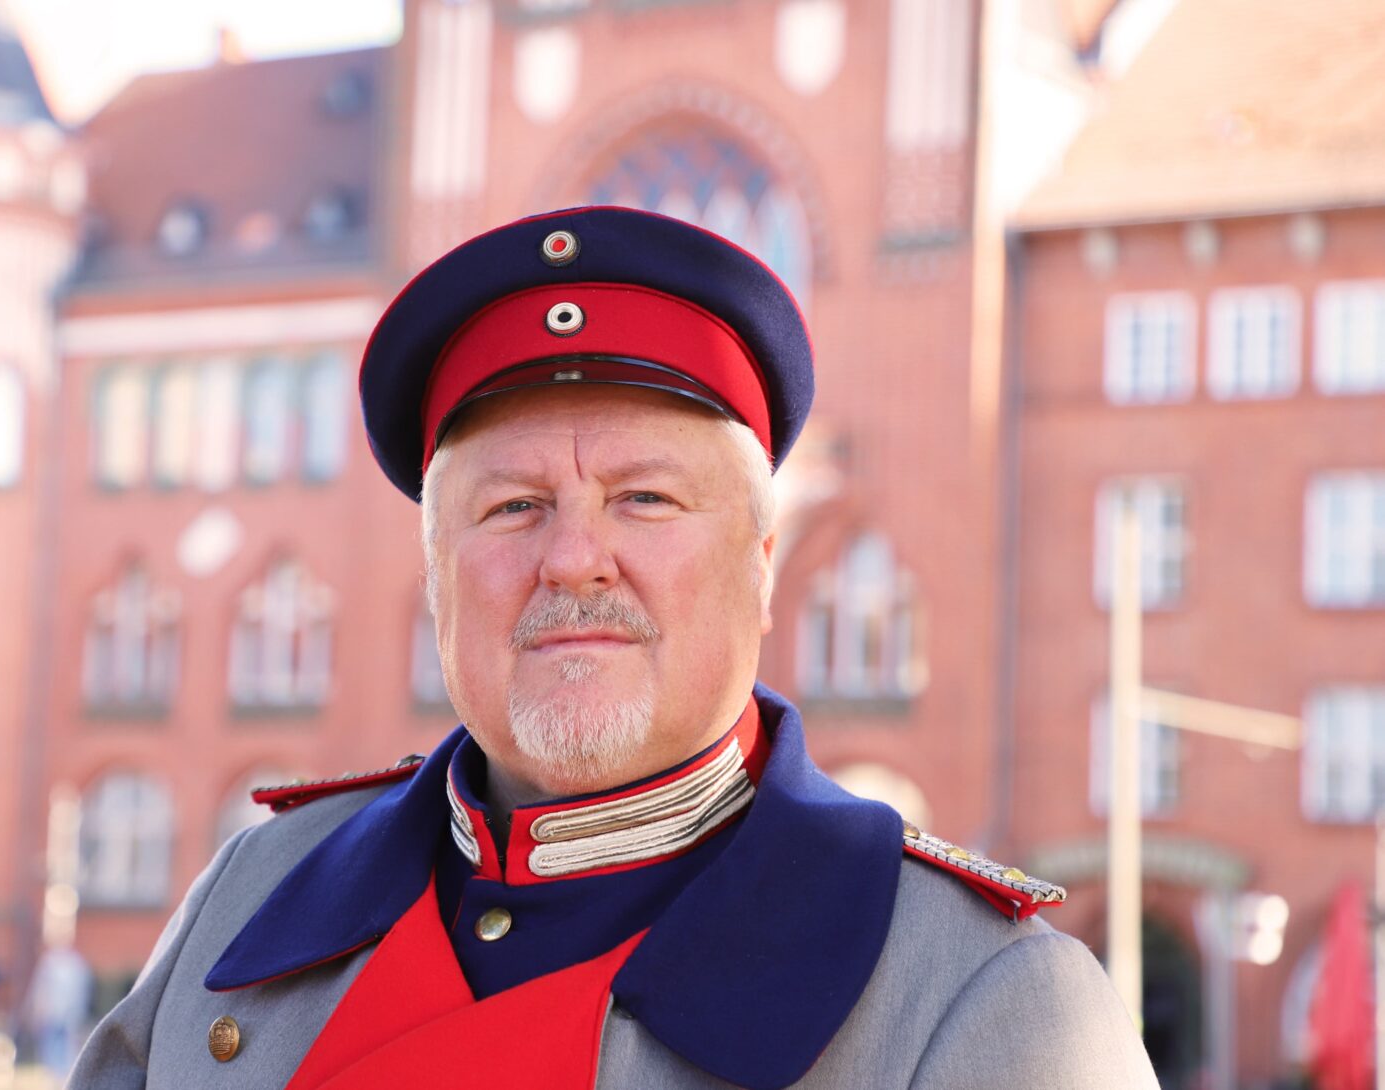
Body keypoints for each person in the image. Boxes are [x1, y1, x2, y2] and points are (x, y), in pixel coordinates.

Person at [68, 207, 1158, 1089]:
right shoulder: (259, 885)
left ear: (764, 561)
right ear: (437, 571)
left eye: (644, 498)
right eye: (512, 508)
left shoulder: (983, 994)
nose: (573, 558)